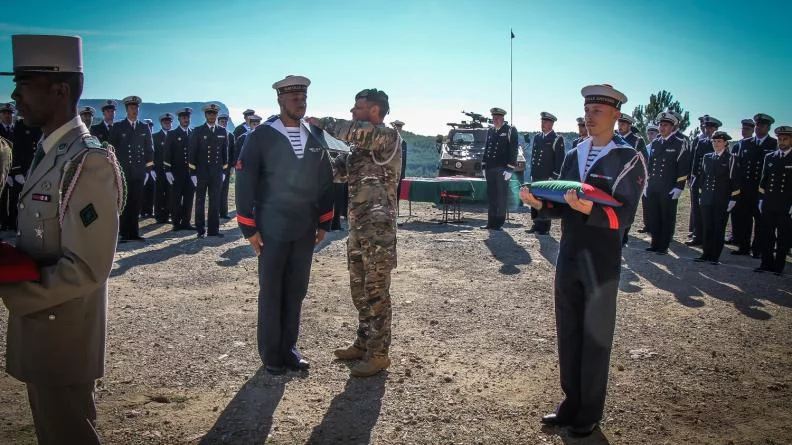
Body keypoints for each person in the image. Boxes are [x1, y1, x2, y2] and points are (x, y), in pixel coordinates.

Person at [0, 34, 125, 445]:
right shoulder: (52, 151)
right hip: (46, 328)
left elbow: (88, 268)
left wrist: (16, 291)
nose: (15, 94)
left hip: (62, 330)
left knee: (67, 434)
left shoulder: (86, 160)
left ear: (59, 90)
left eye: (24, 82)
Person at [520, 84, 646, 437]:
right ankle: (570, 402)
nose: (590, 116)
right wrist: (540, 204)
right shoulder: (575, 152)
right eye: (587, 110)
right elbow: (562, 202)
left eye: (598, 111)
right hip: (570, 252)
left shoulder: (628, 157)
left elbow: (625, 216)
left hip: (602, 258)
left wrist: (589, 209)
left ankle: (589, 410)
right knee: (569, 328)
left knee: (595, 334)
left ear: (615, 115)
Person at [235, 75, 334, 375]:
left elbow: (326, 180)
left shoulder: (314, 136)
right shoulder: (262, 135)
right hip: (271, 228)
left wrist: (324, 221)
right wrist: (249, 228)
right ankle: (271, 354)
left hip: (304, 228)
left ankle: (290, 348)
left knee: (296, 289)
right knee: (272, 289)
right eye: (294, 99)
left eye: (303, 98)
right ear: (280, 100)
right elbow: (245, 180)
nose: (300, 103)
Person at [310, 88, 401, 377]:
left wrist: (320, 121)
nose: (352, 111)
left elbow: (351, 130)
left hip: (378, 233)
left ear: (374, 111)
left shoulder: (386, 138)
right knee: (360, 292)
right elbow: (336, 172)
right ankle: (363, 343)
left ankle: (379, 354)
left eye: (357, 108)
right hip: (358, 230)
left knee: (376, 292)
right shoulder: (359, 150)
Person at [644, 111, 691, 254]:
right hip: (653, 186)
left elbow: (683, 167)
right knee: (654, 216)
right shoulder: (656, 142)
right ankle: (654, 244)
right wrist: (647, 183)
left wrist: (679, 187)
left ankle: (663, 246)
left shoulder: (679, 143)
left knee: (666, 217)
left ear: (672, 127)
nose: (662, 128)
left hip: (668, 187)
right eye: (660, 125)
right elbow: (650, 164)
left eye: (665, 125)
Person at [109, 95, 154, 242]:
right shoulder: (118, 127)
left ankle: (134, 232)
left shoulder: (144, 127)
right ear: (127, 109)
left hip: (139, 171)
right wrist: (114, 169)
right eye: (131, 107)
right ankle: (122, 233)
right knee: (123, 202)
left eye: (136, 107)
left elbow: (149, 149)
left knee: (136, 202)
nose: (134, 110)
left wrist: (148, 169)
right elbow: (111, 149)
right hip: (123, 171)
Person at [732, 113, 777, 257]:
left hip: (762, 190)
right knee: (743, 219)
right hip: (745, 189)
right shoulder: (745, 143)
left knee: (761, 221)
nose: (759, 128)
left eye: (763, 125)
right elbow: (738, 167)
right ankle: (743, 247)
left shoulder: (773, 144)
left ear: (768, 127)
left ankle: (757, 249)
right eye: (757, 125)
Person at [696, 131, 740, 265]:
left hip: (722, 199)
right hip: (707, 198)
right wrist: (700, 194)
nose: (716, 144)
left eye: (719, 141)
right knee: (707, 227)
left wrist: (733, 199)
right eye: (714, 141)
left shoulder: (731, 158)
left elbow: (736, 180)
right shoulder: (707, 157)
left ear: (726, 143)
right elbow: (702, 177)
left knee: (718, 228)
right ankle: (706, 253)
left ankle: (714, 256)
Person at [754, 125, 791, 275]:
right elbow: (764, 181)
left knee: (783, 237)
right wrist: (761, 199)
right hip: (769, 203)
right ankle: (766, 263)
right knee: (767, 235)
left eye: (785, 139)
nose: (782, 142)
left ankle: (779, 266)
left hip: (786, 205)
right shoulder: (770, 157)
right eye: (780, 139)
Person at [189, 103, 228, 238]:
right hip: (201, 172)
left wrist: (224, 171)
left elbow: (224, 153)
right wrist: (192, 172)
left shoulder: (222, 131)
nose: (212, 116)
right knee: (200, 201)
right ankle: (200, 230)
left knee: (215, 201)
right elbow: (192, 152)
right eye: (209, 113)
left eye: (214, 113)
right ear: (205, 115)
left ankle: (213, 230)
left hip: (216, 172)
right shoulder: (198, 131)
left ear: (216, 115)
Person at [480, 107, 518, 230]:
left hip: (502, 169)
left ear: (502, 118)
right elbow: (487, 148)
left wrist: (510, 168)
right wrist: (484, 165)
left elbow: (514, 149)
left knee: (501, 197)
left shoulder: (510, 130)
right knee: (491, 196)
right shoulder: (490, 130)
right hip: (490, 168)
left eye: (498, 117)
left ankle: (499, 223)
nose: (495, 120)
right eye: (494, 118)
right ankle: (490, 222)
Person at [528, 111, 565, 234]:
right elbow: (534, 156)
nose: (543, 124)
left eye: (546, 122)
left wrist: (554, 177)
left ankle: (544, 227)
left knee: (545, 201)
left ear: (552, 124)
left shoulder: (556, 139)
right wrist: (532, 172)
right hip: (537, 175)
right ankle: (536, 224)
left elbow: (559, 161)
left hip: (547, 176)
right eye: (542, 121)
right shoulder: (538, 137)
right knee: (534, 200)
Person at [687, 115, 721, 246]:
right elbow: (695, 161)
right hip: (698, 181)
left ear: (716, 129)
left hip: (712, 183)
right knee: (696, 209)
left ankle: (709, 238)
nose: (707, 130)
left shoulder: (719, 143)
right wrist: (692, 177)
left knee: (708, 211)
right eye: (706, 127)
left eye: (711, 128)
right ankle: (697, 236)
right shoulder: (701, 142)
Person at [616, 113, 647, 246]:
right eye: (619, 123)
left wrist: (641, 181)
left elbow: (644, 161)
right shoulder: (614, 138)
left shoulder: (637, 141)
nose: (620, 126)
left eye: (623, 124)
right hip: (614, 179)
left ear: (629, 125)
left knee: (627, 208)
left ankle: (624, 236)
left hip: (630, 181)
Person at [163, 107, 195, 231]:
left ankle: (186, 222)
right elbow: (167, 153)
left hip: (190, 173)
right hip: (176, 172)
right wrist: (167, 170)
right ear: (179, 119)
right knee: (175, 198)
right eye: (183, 117)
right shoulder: (172, 134)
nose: (186, 119)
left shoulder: (193, 133)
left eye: (187, 117)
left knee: (189, 198)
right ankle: (176, 223)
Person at [726, 118, 757, 244]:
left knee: (747, 216)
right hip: (736, 185)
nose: (744, 131)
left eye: (747, 129)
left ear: (753, 130)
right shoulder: (737, 145)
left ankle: (745, 241)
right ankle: (736, 237)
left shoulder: (754, 145)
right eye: (743, 128)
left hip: (748, 186)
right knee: (735, 213)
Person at [153, 112, 173, 223]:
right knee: (159, 193)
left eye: (169, 122)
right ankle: (159, 216)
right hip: (159, 170)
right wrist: (151, 169)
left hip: (171, 171)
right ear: (161, 123)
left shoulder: (174, 135)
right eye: (165, 122)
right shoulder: (155, 137)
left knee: (170, 193)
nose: (167, 123)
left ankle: (167, 214)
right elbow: (152, 154)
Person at [217, 112, 235, 219]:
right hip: (215, 166)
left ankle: (223, 212)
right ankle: (215, 212)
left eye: (225, 122)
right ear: (218, 122)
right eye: (221, 121)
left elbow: (233, 151)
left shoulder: (230, 135)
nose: (223, 123)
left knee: (225, 190)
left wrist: (232, 166)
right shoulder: (214, 133)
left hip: (226, 167)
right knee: (215, 190)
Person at [392, 120, 408, 212]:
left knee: (397, 196)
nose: (398, 129)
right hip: (390, 174)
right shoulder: (389, 142)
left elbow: (404, 161)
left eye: (400, 127)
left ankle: (394, 215)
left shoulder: (403, 143)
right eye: (397, 127)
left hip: (399, 174)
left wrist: (402, 175)